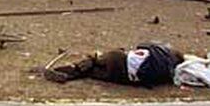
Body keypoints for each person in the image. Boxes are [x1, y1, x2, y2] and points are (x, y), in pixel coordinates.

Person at [44, 42, 184, 88]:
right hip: (126, 78)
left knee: (94, 60)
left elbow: (143, 45)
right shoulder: (166, 73)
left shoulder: (159, 52)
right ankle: (67, 75)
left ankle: (69, 70)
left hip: (119, 60)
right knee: (92, 72)